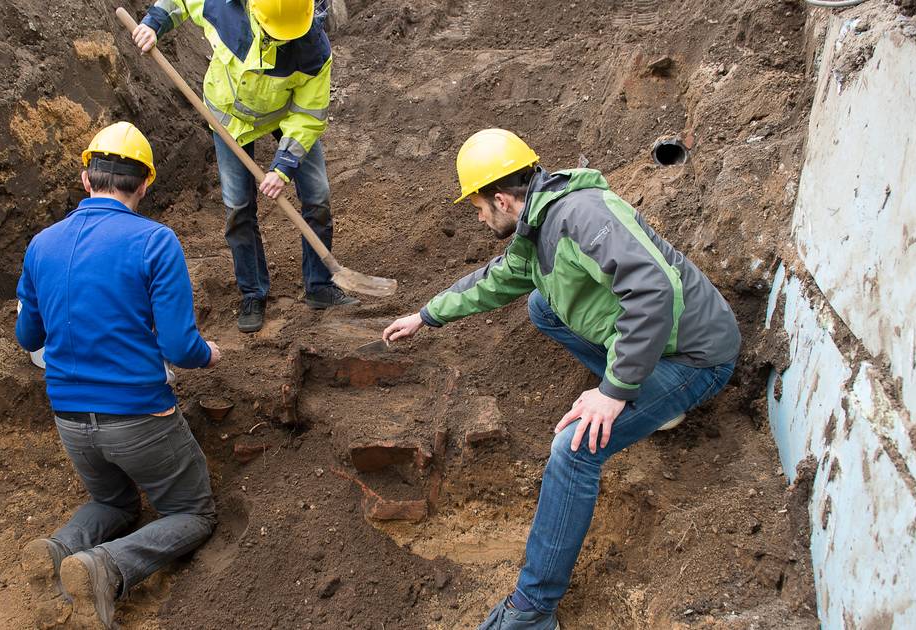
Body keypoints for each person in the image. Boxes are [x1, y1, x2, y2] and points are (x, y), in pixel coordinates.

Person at [382, 129, 741, 629]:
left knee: (574, 449)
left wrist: (613, 391)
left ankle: (533, 611)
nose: (479, 216)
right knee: (541, 304)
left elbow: (654, 290)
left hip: (695, 355)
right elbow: (499, 277)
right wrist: (427, 315)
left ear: (503, 199)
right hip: (657, 344)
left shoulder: (581, 216)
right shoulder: (539, 224)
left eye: (479, 207)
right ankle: (656, 401)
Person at [15, 122, 221, 629]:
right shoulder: (155, 241)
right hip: (139, 417)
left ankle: (60, 547)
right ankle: (106, 566)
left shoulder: (41, 245)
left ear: (86, 178)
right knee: (195, 513)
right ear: (145, 184)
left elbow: (28, 338)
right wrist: (211, 354)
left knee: (113, 500)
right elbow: (179, 346)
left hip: (70, 419)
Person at [132, 0, 357, 333]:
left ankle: (319, 285)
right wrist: (154, 23)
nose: (284, 41)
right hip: (228, 120)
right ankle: (253, 293)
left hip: (287, 113)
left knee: (318, 195)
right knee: (238, 208)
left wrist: (283, 166)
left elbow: (309, 116)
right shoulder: (223, 9)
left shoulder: (313, 48)